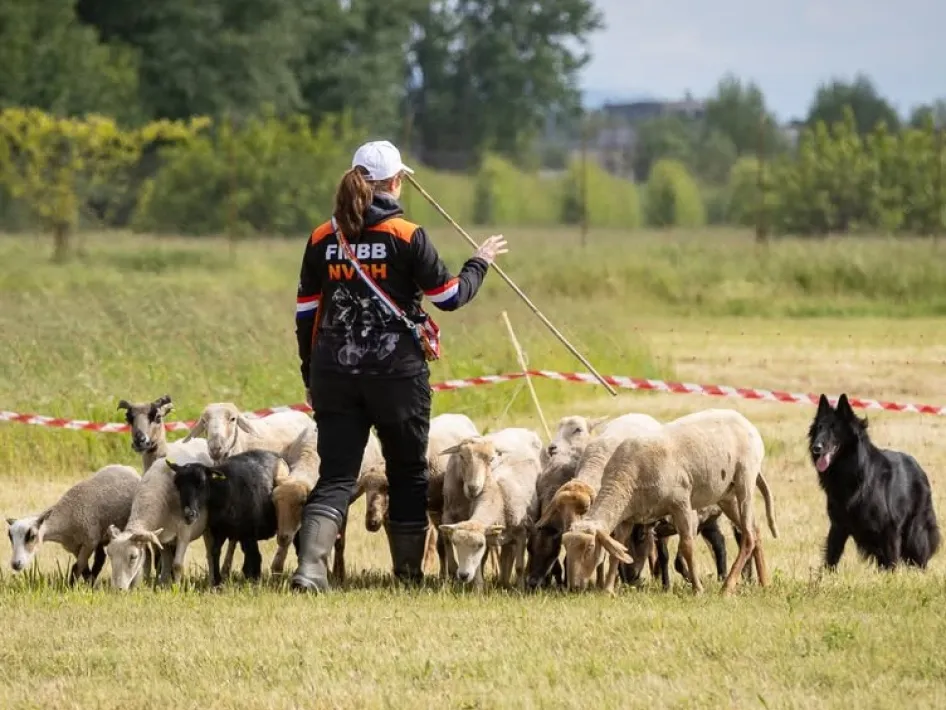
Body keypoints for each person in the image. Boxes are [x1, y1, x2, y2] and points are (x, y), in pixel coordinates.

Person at [291, 140, 507, 592]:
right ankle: (408, 575)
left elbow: (306, 314)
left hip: (334, 374)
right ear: (395, 182)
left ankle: (310, 571)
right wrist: (479, 263)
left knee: (335, 475)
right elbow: (449, 296)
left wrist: (310, 372)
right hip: (397, 377)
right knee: (407, 472)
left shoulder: (320, 239)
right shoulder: (408, 236)